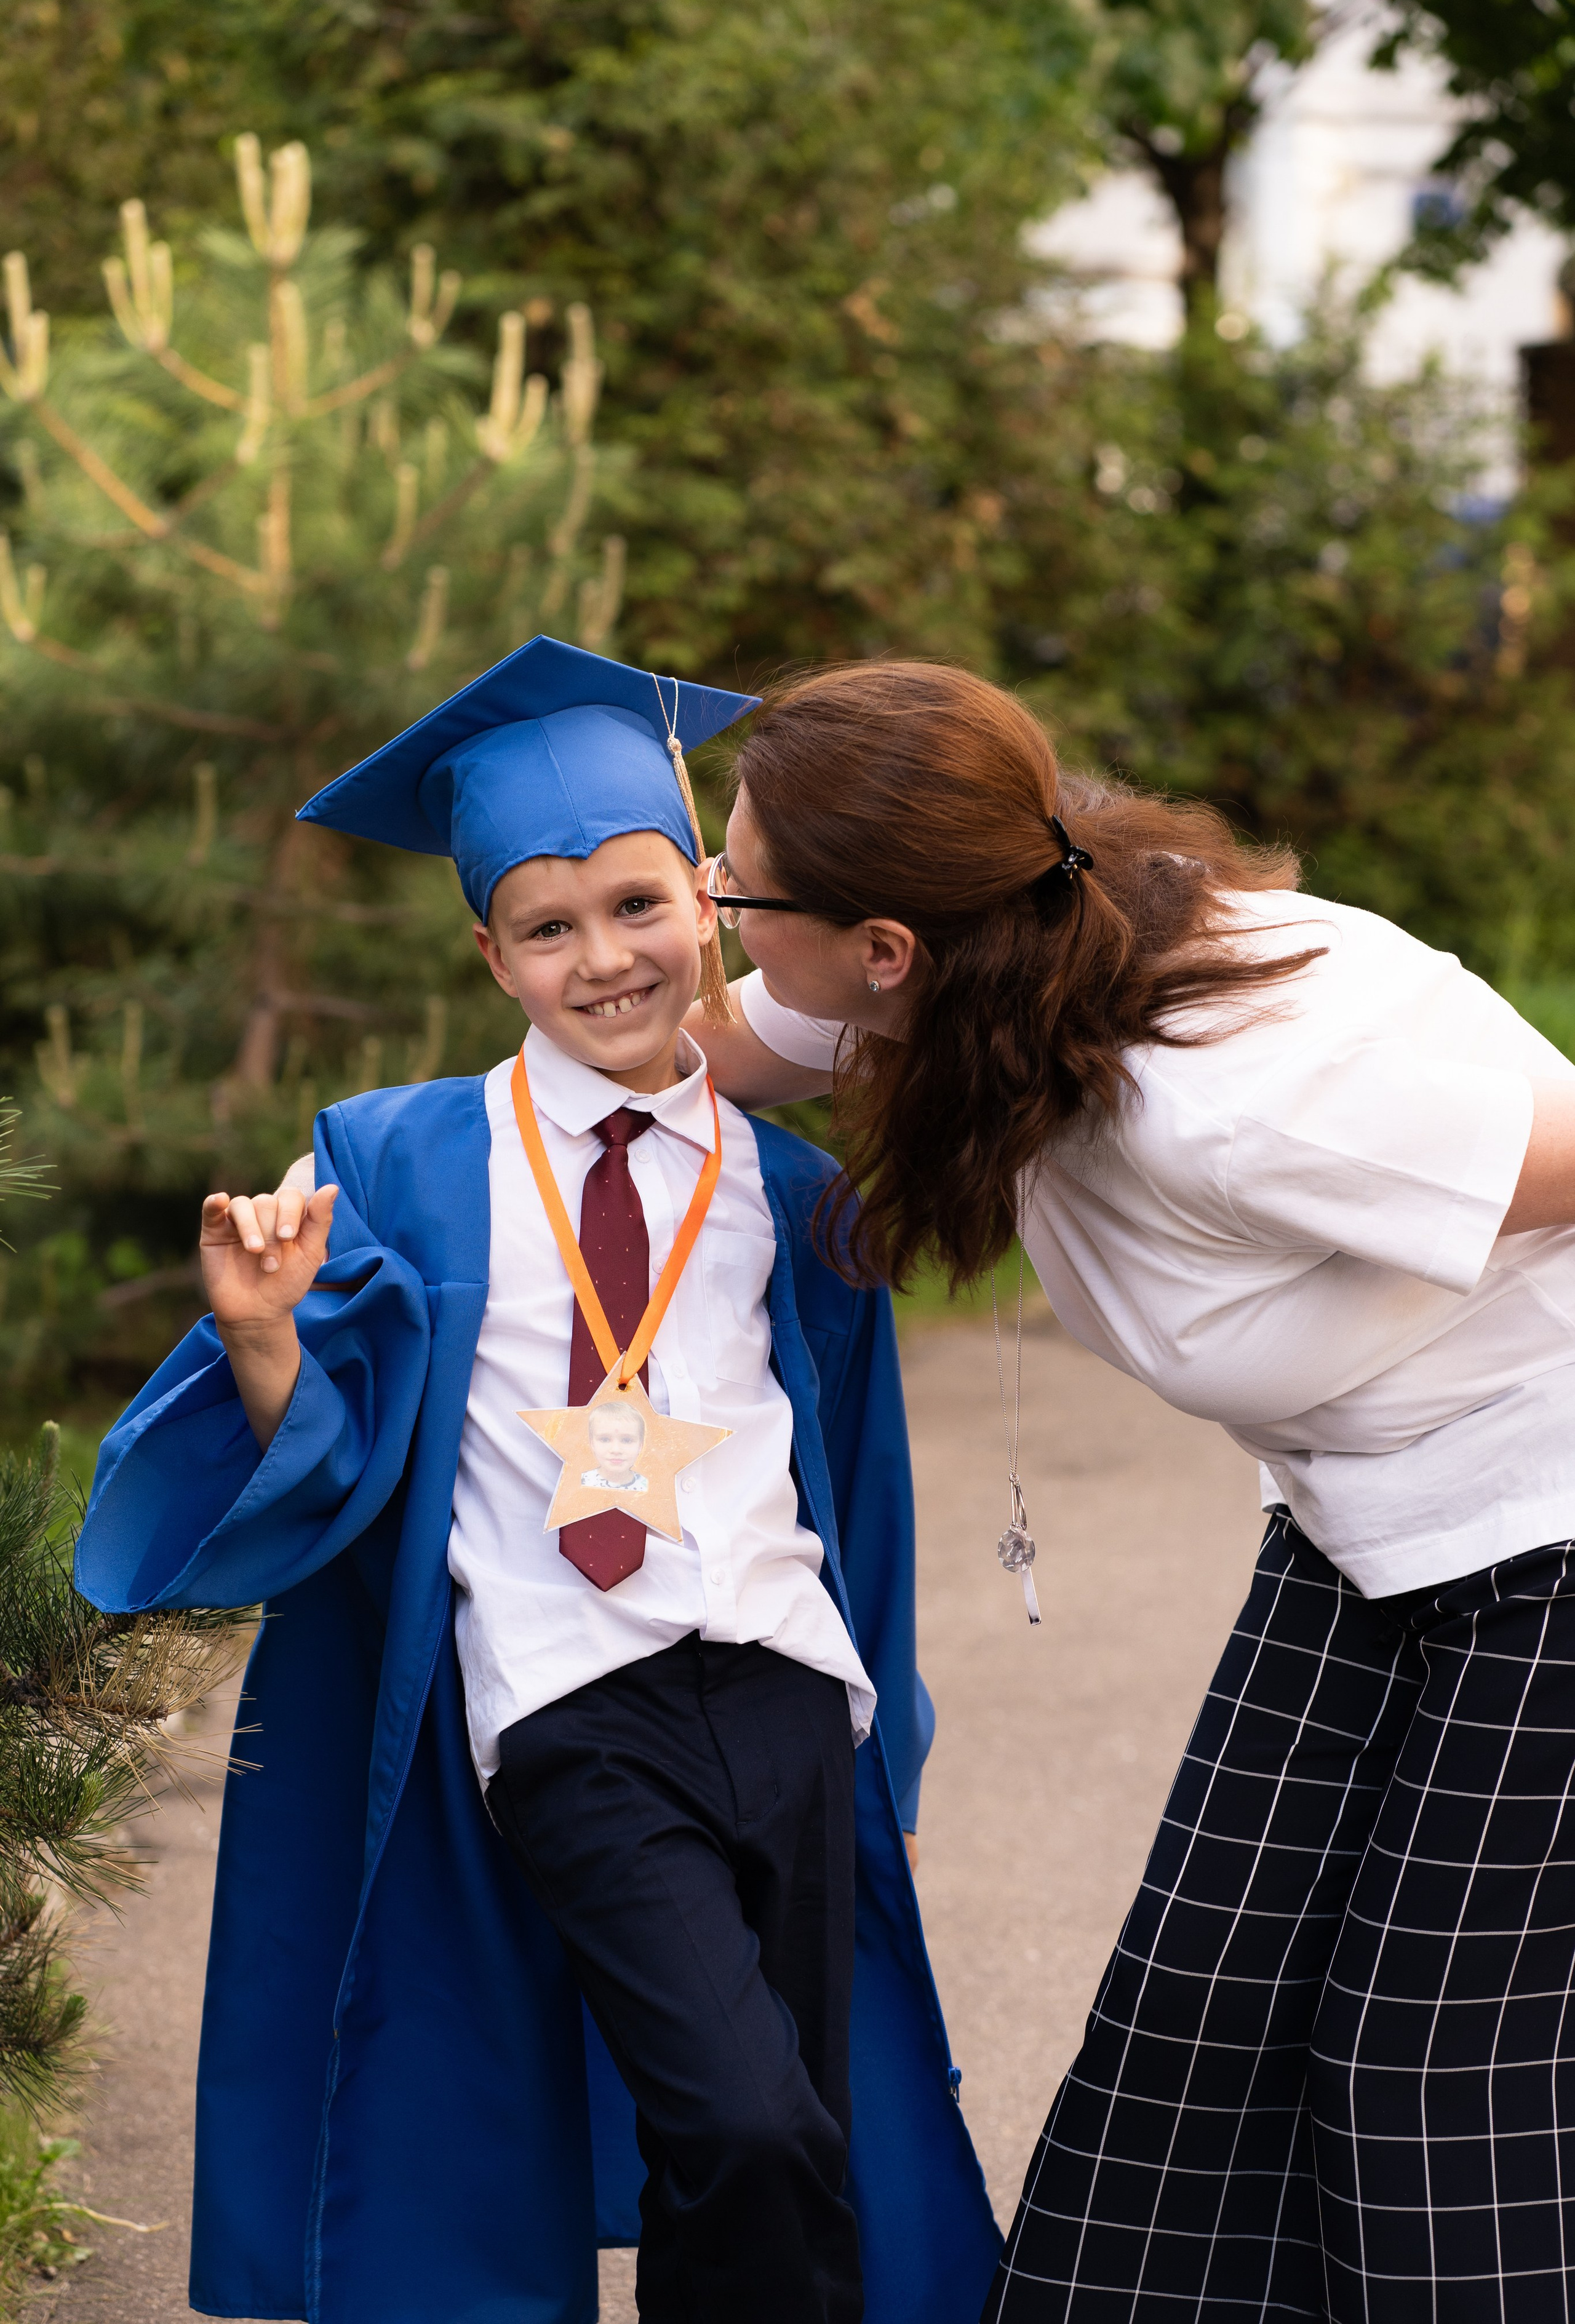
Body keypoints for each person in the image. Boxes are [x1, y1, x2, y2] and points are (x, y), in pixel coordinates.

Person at [74, 639, 1001, 2324]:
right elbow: (329, 1459)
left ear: (707, 906)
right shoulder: (396, 1159)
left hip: (789, 1692)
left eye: (638, 905)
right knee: (742, 2112)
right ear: (487, 950)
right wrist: (268, 1342)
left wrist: (898, 1755)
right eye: (549, 925)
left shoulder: (792, 1194)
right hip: (571, 1704)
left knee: (795, 2130)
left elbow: (860, 1495)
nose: (604, 957)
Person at [683, 657, 1575, 2322]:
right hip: (1367, 1521)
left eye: (732, 888)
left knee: (1420, 2063)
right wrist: (389, 1170)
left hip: (1553, 1518)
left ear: (883, 949)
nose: (715, 916)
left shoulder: (1241, 1094)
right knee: (1198, 2016)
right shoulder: (990, 939)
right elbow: (695, 1049)